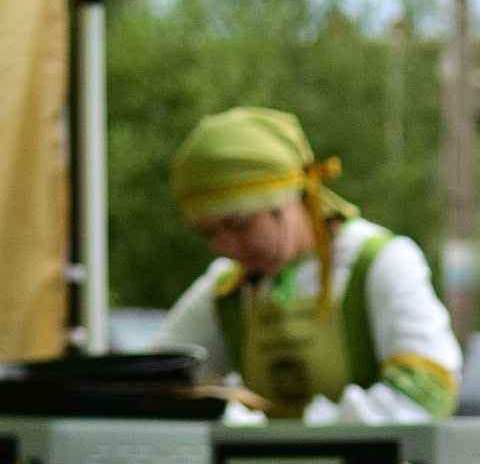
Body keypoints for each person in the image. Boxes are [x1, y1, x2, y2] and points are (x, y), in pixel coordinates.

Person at [157, 107, 459, 422]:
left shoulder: (380, 263)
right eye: (208, 233)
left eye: (240, 225)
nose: (226, 247)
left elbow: (427, 394)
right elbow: (153, 382)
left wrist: (294, 433)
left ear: (290, 197)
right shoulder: (226, 290)